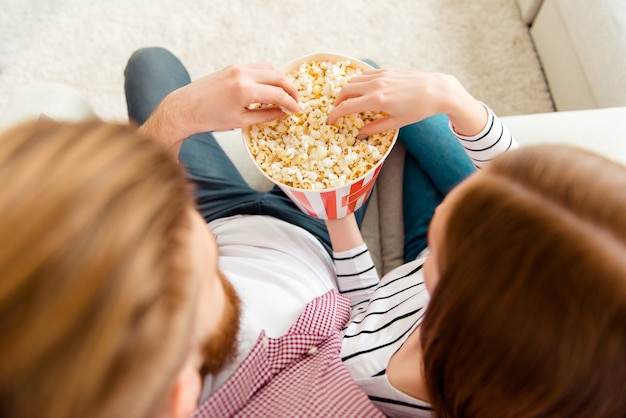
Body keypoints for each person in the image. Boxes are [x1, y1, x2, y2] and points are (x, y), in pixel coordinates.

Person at [0, 48, 385, 418]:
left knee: (150, 63)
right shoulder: (328, 392)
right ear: (179, 397)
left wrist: (174, 117)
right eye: (179, 222)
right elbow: (371, 314)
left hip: (221, 213)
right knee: (366, 73)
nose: (178, 210)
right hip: (314, 232)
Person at [324, 70, 626, 417]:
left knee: (378, 95)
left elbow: (362, 312)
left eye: (436, 250)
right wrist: (454, 99)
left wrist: (338, 214)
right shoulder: (492, 296)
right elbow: (516, 179)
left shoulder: (367, 371)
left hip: (387, 290)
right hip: (424, 279)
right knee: (395, 102)